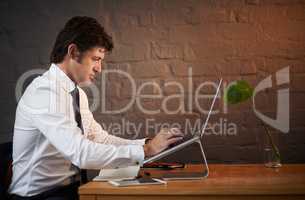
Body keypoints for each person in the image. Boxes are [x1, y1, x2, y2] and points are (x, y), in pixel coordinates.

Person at [8, 16, 183, 200]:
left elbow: (99, 138)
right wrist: (147, 151)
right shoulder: (44, 92)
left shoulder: (75, 93)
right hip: (39, 196)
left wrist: (147, 144)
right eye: (96, 59)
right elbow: (81, 153)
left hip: (70, 192)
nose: (99, 68)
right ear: (74, 52)